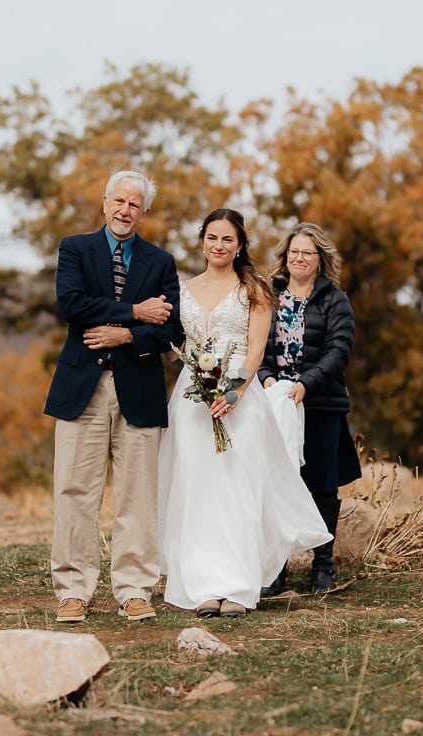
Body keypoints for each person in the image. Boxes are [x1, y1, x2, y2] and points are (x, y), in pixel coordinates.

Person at [158, 208, 331, 618]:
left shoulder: (253, 288)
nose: (219, 246)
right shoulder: (182, 287)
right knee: (198, 490)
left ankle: (237, 585)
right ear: (202, 240)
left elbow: (255, 349)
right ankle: (201, 583)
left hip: (241, 394)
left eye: (228, 240)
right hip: (193, 399)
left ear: (240, 246)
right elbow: (176, 344)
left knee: (237, 491)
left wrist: (234, 392)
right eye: (212, 238)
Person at [45, 170, 182, 623]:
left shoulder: (160, 262)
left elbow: (172, 330)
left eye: (135, 205)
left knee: (138, 495)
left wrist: (127, 334)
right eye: (118, 201)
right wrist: (137, 311)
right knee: (74, 490)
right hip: (80, 386)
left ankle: (135, 589)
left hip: (139, 389)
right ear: (104, 203)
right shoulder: (74, 248)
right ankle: (72, 590)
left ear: (145, 213)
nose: (125, 211)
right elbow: (72, 304)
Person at [258, 222, 361, 594]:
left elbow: (339, 351)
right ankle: (276, 569)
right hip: (276, 403)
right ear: (285, 257)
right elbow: (258, 343)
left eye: (307, 253)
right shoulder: (268, 295)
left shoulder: (335, 299)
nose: (299, 258)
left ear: (320, 260)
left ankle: (323, 566)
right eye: (294, 252)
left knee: (321, 486)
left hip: (320, 404)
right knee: (277, 484)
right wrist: (268, 378)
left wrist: (306, 384)